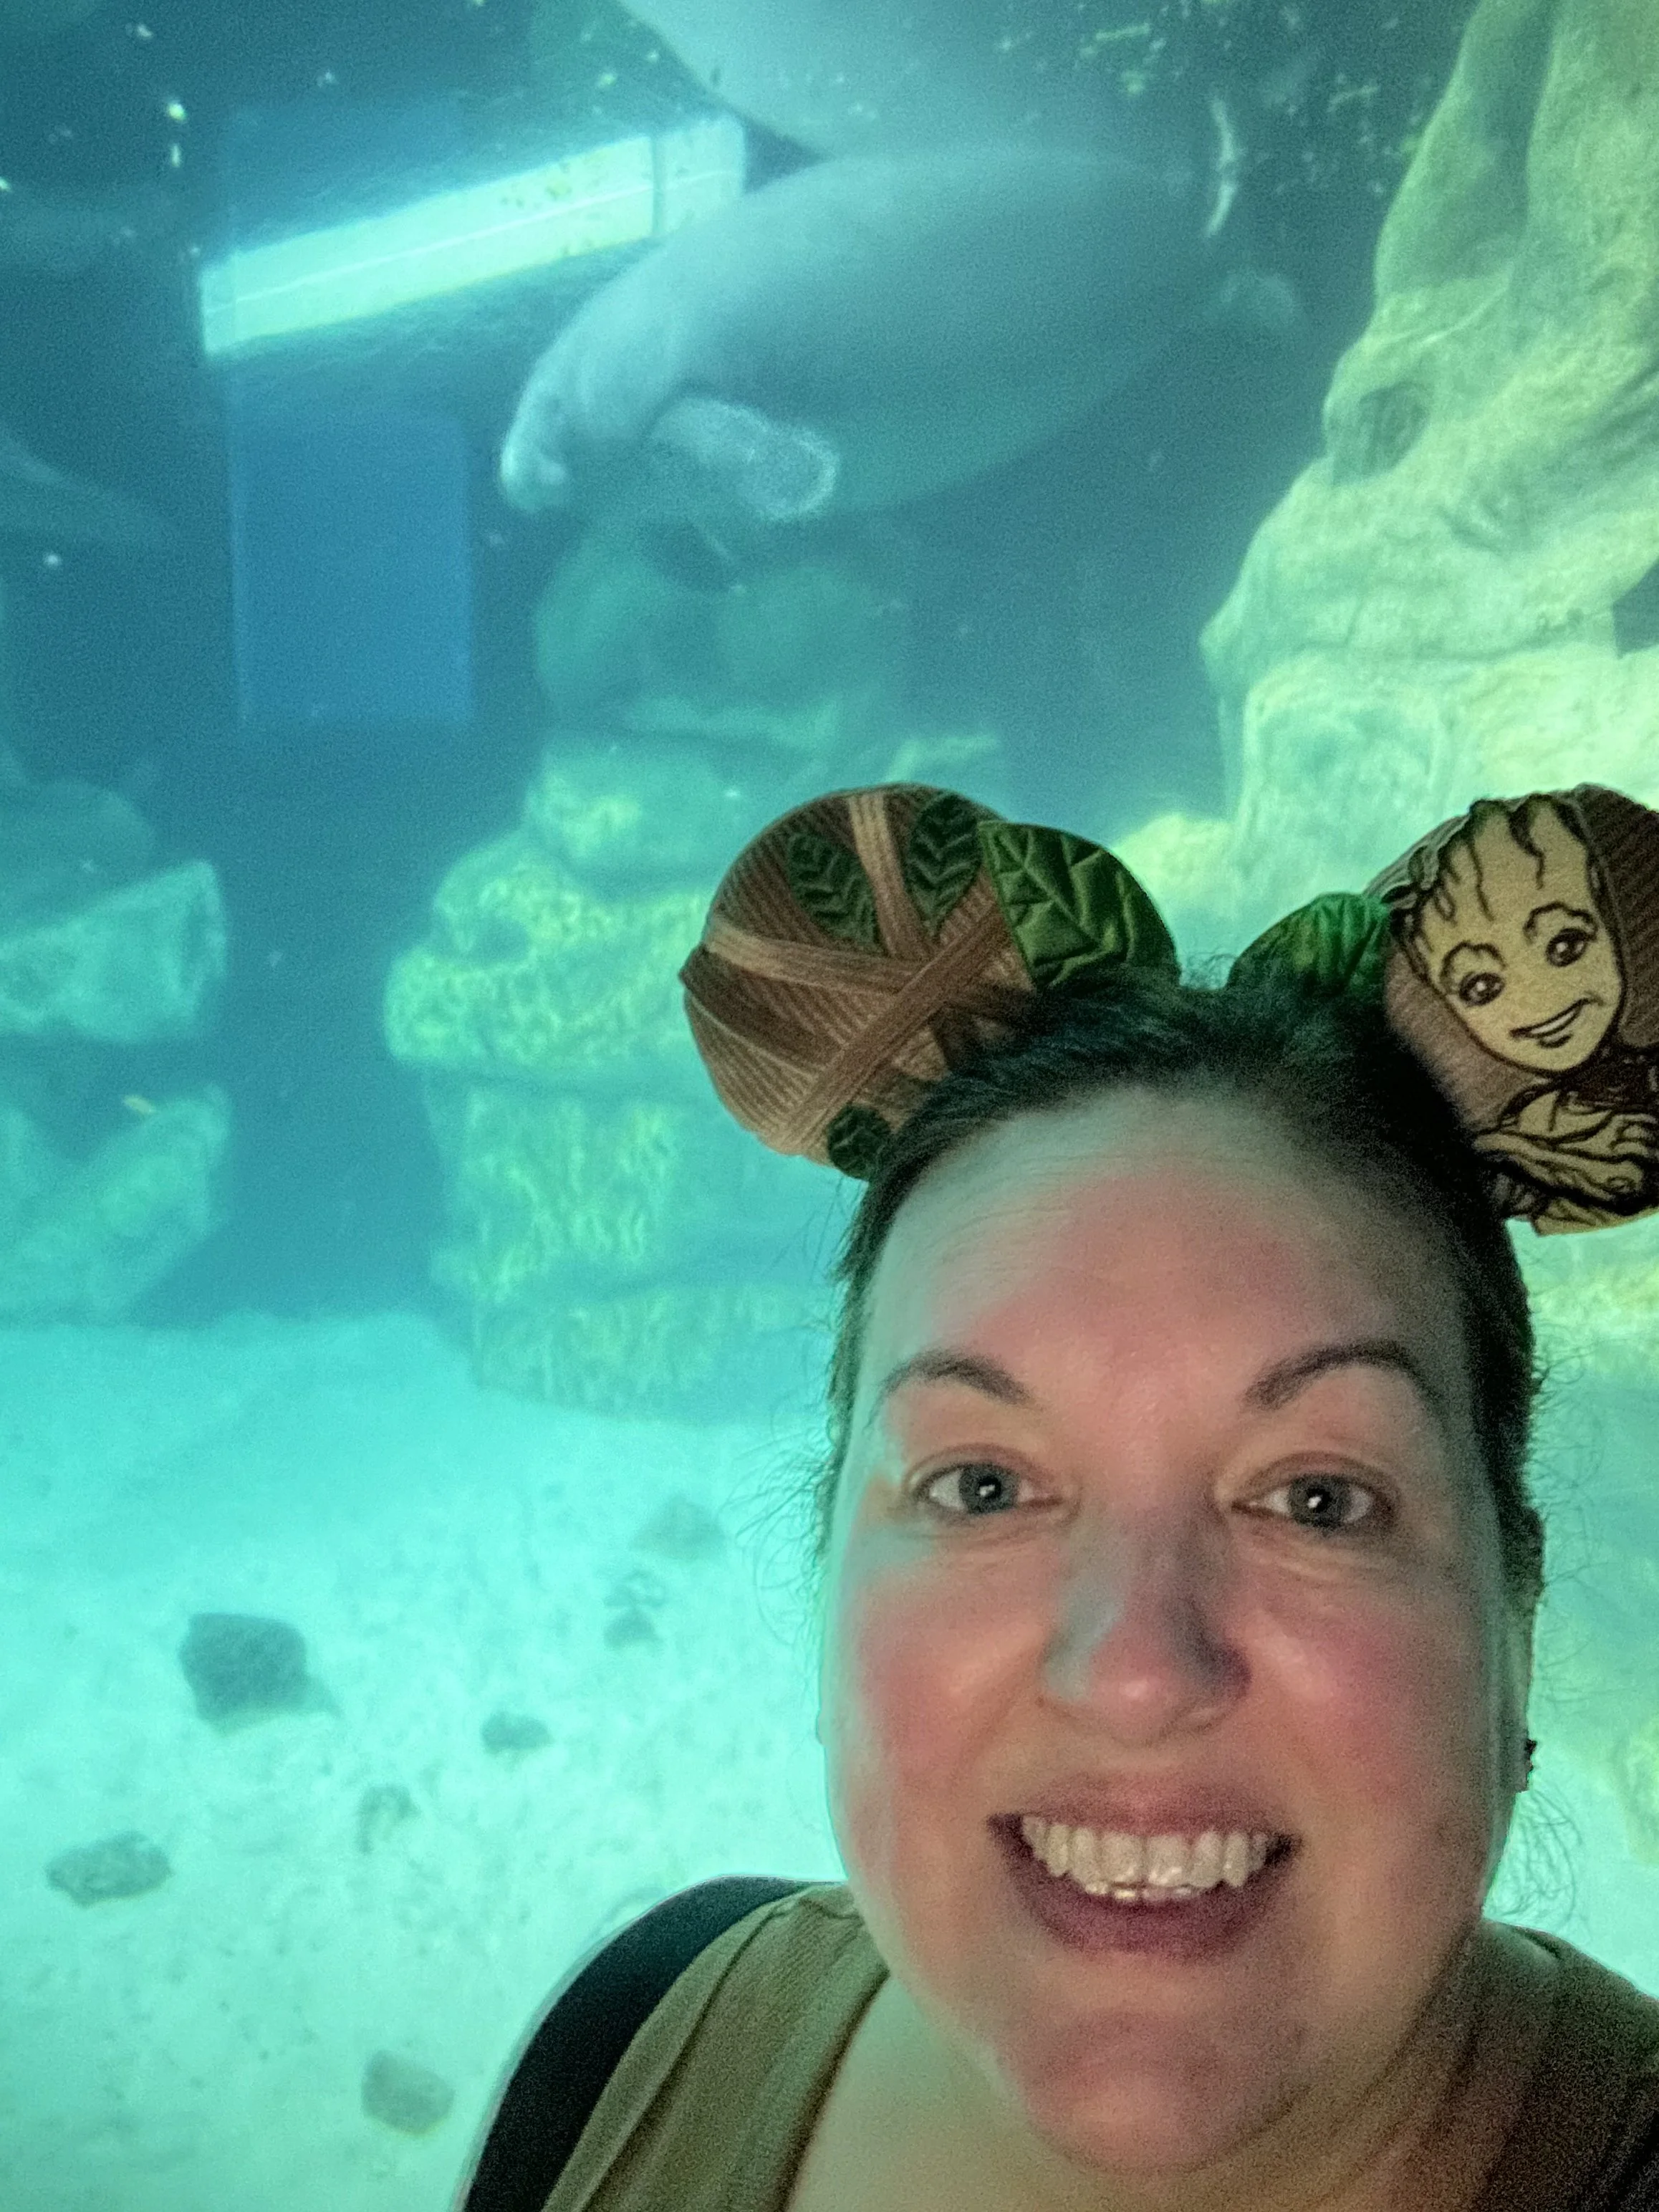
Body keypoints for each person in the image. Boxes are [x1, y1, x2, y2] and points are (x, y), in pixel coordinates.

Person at [461, 782, 1659, 2212]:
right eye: (981, 1483)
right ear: (828, 1581)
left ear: (1514, 1614)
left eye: (1320, 1498)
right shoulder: (634, 2030)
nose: (1136, 1671)